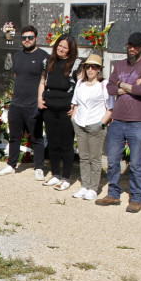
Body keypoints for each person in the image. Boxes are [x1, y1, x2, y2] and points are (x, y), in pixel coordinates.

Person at [96, 32, 141, 213]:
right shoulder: (120, 65)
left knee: (136, 163)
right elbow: (110, 87)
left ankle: (137, 198)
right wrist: (126, 86)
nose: (132, 48)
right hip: (118, 120)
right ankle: (113, 193)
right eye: (130, 45)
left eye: (136, 46)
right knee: (113, 161)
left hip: (136, 122)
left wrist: (122, 85)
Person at [0, 25, 47, 180]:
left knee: (36, 137)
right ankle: (11, 165)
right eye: (24, 38)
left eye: (30, 37)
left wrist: (40, 100)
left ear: (36, 38)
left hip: (33, 104)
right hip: (17, 104)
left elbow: (45, 80)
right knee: (14, 137)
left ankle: (39, 167)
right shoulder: (18, 56)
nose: (26, 40)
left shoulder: (43, 56)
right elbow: (17, 76)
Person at [38, 34, 81, 190]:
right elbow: (43, 81)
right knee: (53, 143)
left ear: (70, 51)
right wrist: (39, 98)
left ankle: (66, 177)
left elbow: (80, 86)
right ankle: (55, 174)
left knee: (66, 144)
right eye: (59, 46)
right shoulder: (48, 62)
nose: (61, 49)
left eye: (65, 48)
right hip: (49, 107)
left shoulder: (76, 65)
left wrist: (75, 106)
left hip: (65, 109)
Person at [71, 53, 112, 200]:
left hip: (96, 123)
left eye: (94, 67)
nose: (90, 70)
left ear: (99, 69)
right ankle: (84, 185)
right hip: (80, 123)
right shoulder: (80, 83)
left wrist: (102, 123)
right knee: (83, 156)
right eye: (87, 66)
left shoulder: (104, 85)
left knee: (94, 158)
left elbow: (110, 107)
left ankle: (93, 188)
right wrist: (74, 118)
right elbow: (75, 102)